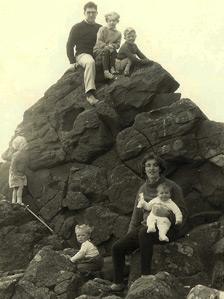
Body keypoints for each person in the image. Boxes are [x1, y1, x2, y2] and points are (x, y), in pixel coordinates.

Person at [111, 153, 188, 291]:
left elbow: (183, 212)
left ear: (160, 168)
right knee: (117, 247)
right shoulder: (142, 189)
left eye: (155, 165)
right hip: (146, 226)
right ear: (144, 169)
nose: (151, 168)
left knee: (144, 233)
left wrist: (168, 216)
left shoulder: (172, 187)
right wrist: (129, 237)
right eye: (148, 165)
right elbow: (136, 216)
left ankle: (145, 276)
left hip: (168, 229)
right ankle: (118, 283)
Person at [66, 2, 102, 105]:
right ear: (84, 13)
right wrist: (72, 62)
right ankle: (89, 94)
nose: (91, 14)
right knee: (90, 62)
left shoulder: (100, 28)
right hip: (82, 55)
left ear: (97, 13)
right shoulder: (77, 27)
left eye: (93, 12)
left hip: (97, 53)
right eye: (88, 12)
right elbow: (69, 45)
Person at [93, 12, 121, 80]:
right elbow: (99, 41)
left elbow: (118, 44)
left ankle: (112, 68)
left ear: (117, 21)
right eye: (109, 21)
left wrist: (113, 46)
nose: (111, 22)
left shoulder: (118, 33)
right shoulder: (102, 29)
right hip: (99, 49)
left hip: (111, 49)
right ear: (107, 21)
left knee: (114, 51)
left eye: (113, 21)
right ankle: (106, 72)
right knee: (106, 50)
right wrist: (106, 46)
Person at [9, 135, 28, 205]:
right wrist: (14, 173)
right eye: (23, 144)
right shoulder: (17, 154)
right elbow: (13, 165)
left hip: (19, 173)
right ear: (19, 146)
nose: (25, 145)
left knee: (16, 188)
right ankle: (19, 201)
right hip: (16, 174)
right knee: (20, 187)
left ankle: (13, 202)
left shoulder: (23, 154)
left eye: (25, 144)